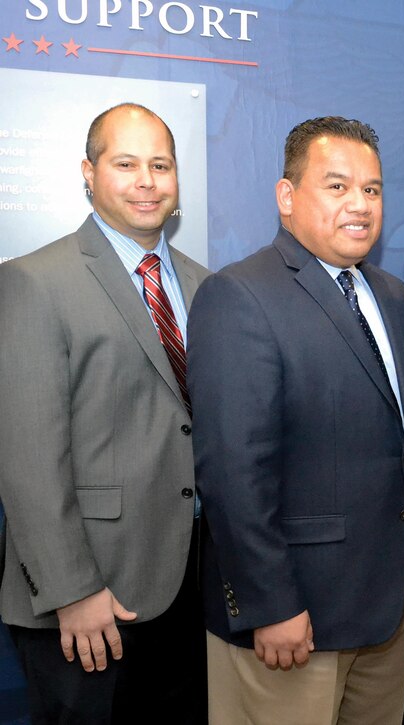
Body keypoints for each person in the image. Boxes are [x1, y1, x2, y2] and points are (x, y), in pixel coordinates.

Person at [186, 116, 404, 725]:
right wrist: (269, 604)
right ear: (287, 196)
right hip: (293, 620)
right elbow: (232, 472)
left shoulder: (396, 297)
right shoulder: (238, 295)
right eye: (337, 186)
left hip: (387, 612)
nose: (359, 204)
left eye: (372, 189)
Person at [0, 103, 208, 723]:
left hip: (186, 585)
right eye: (126, 164)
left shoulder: (204, 285)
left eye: (160, 165)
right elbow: (28, 456)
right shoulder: (34, 281)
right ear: (88, 173)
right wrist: (72, 592)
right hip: (89, 600)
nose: (147, 180)